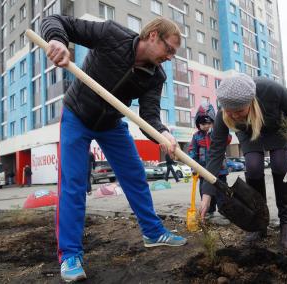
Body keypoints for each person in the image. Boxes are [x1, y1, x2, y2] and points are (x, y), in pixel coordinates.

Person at [41, 15, 187, 282]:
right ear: (153, 35)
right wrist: (57, 41)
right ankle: (70, 255)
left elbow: (149, 118)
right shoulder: (111, 35)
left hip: (111, 123)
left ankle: (153, 233)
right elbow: (57, 21)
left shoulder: (156, 76)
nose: (170, 57)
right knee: (73, 184)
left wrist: (163, 134)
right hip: (77, 115)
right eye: (169, 49)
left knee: (135, 176)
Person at [200, 74, 287, 249]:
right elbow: (215, 153)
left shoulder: (270, 89)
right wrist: (207, 195)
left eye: (239, 111)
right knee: (253, 167)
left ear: (251, 101)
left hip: (276, 127)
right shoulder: (226, 113)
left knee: (280, 164)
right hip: (249, 132)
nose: (234, 116)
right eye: (229, 112)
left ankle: (286, 224)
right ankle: (259, 224)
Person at [188, 104, 231, 224]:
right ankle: (208, 211)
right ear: (198, 124)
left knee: (222, 193)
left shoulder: (218, 133)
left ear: (213, 122)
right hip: (203, 172)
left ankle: (225, 211)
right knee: (204, 192)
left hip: (220, 171)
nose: (206, 126)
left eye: (208, 123)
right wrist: (194, 166)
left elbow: (228, 139)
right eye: (202, 124)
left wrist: (218, 130)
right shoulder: (196, 137)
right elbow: (192, 152)